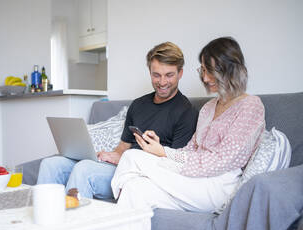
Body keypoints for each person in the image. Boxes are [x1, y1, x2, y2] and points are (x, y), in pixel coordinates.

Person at [110, 37, 266, 230]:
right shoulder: (209, 107)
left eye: (210, 70)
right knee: (135, 190)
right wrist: (161, 149)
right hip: (194, 180)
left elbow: (224, 161)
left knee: (131, 156)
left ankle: (114, 192)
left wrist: (167, 157)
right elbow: (190, 149)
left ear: (230, 69)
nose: (205, 77)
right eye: (202, 69)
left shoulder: (251, 106)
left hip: (219, 184)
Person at [36, 42, 199, 200]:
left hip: (140, 174)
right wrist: (112, 155)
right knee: (51, 164)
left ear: (180, 73)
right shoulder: (138, 105)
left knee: (83, 170)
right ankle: (43, 223)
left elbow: (174, 165)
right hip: (121, 166)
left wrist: (125, 159)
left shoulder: (186, 112)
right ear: (150, 72)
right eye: (156, 75)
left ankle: (73, 226)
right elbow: (123, 146)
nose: (162, 82)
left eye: (169, 75)